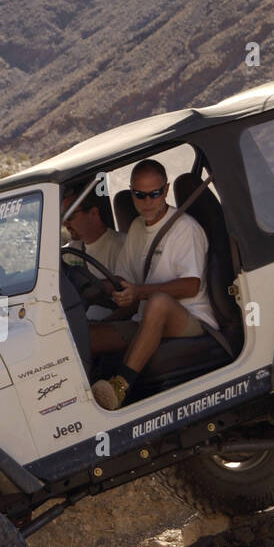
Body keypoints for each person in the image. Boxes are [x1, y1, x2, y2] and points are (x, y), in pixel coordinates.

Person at [88, 159, 217, 410]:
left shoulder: (185, 229)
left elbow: (191, 286)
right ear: (132, 193)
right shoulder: (137, 228)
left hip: (190, 318)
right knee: (88, 335)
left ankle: (120, 386)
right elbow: (125, 280)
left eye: (155, 194)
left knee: (157, 303)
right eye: (140, 195)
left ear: (166, 190)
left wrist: (138, 293)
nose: (147, 202)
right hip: (144, 319)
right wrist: (98, 288)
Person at [61, 184, 125, 321]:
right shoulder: (68, 252)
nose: (65, 223)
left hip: (112, 323)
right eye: (63, 217)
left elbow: (132, 299)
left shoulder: (121, 246)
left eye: (70, 216)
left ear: (93, 213)